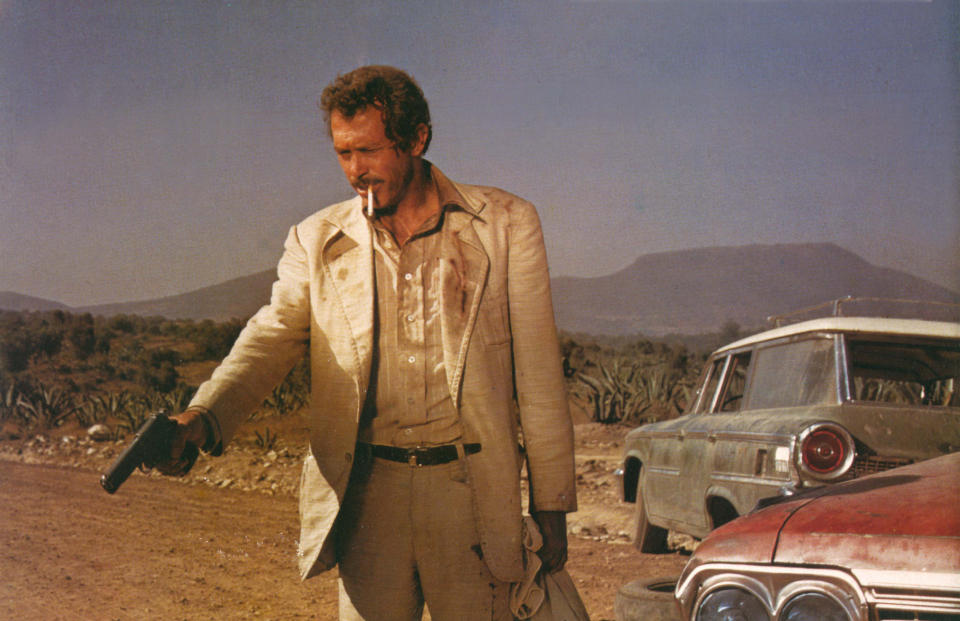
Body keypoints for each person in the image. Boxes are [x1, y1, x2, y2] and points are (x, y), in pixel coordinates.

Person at [159, 65, 576, 621]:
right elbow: (271, 336)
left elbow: (540, 374)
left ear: (417, 138)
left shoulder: (504, 224)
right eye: (343, 153)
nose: (355, 170)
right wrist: (203, 416)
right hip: (367, 495)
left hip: (470, 495)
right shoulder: (317, 239)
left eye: (369, 151)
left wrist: (551, 505)